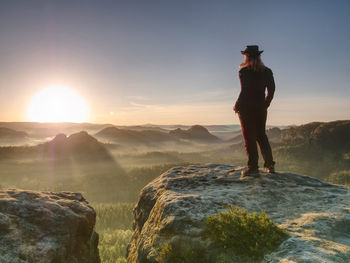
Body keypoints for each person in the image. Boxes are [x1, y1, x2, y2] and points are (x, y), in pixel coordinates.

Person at [234, 45, 275, 177]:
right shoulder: (267, 71)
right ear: (259, 56)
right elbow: (272, 89)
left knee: (249, 138)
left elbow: (245, 91)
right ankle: (270, 165)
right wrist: (266, 103)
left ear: (247, 56)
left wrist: (237, 105)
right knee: (261, 136)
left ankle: (253, 167)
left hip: (246, 108)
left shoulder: (244, 72)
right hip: (260, 108)